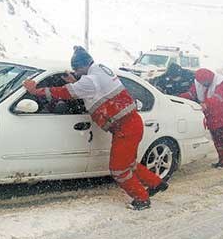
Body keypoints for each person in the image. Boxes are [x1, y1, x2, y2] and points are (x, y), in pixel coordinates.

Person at [23, 46, 168, 210]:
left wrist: (36, 91)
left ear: (83, 66)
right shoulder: (99, 69)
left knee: (118, 169)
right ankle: (156, 183)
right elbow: (93, 88)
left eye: (77, 69)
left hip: (125, 128)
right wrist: (76, 81)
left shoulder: (89, 81)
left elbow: (64, 92)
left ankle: (142, 198)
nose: (76, 72)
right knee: (129, 163)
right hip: (131, 123)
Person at [180, 68, 223, 168]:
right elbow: (191, 94)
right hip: (212, 115)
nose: (204, 84)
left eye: (206, 82)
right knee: (216, 138)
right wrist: (179, 97)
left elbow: (218, 97)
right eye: (202, 83)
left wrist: (206, 104)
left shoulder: (221, 82)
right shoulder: (198, 83)